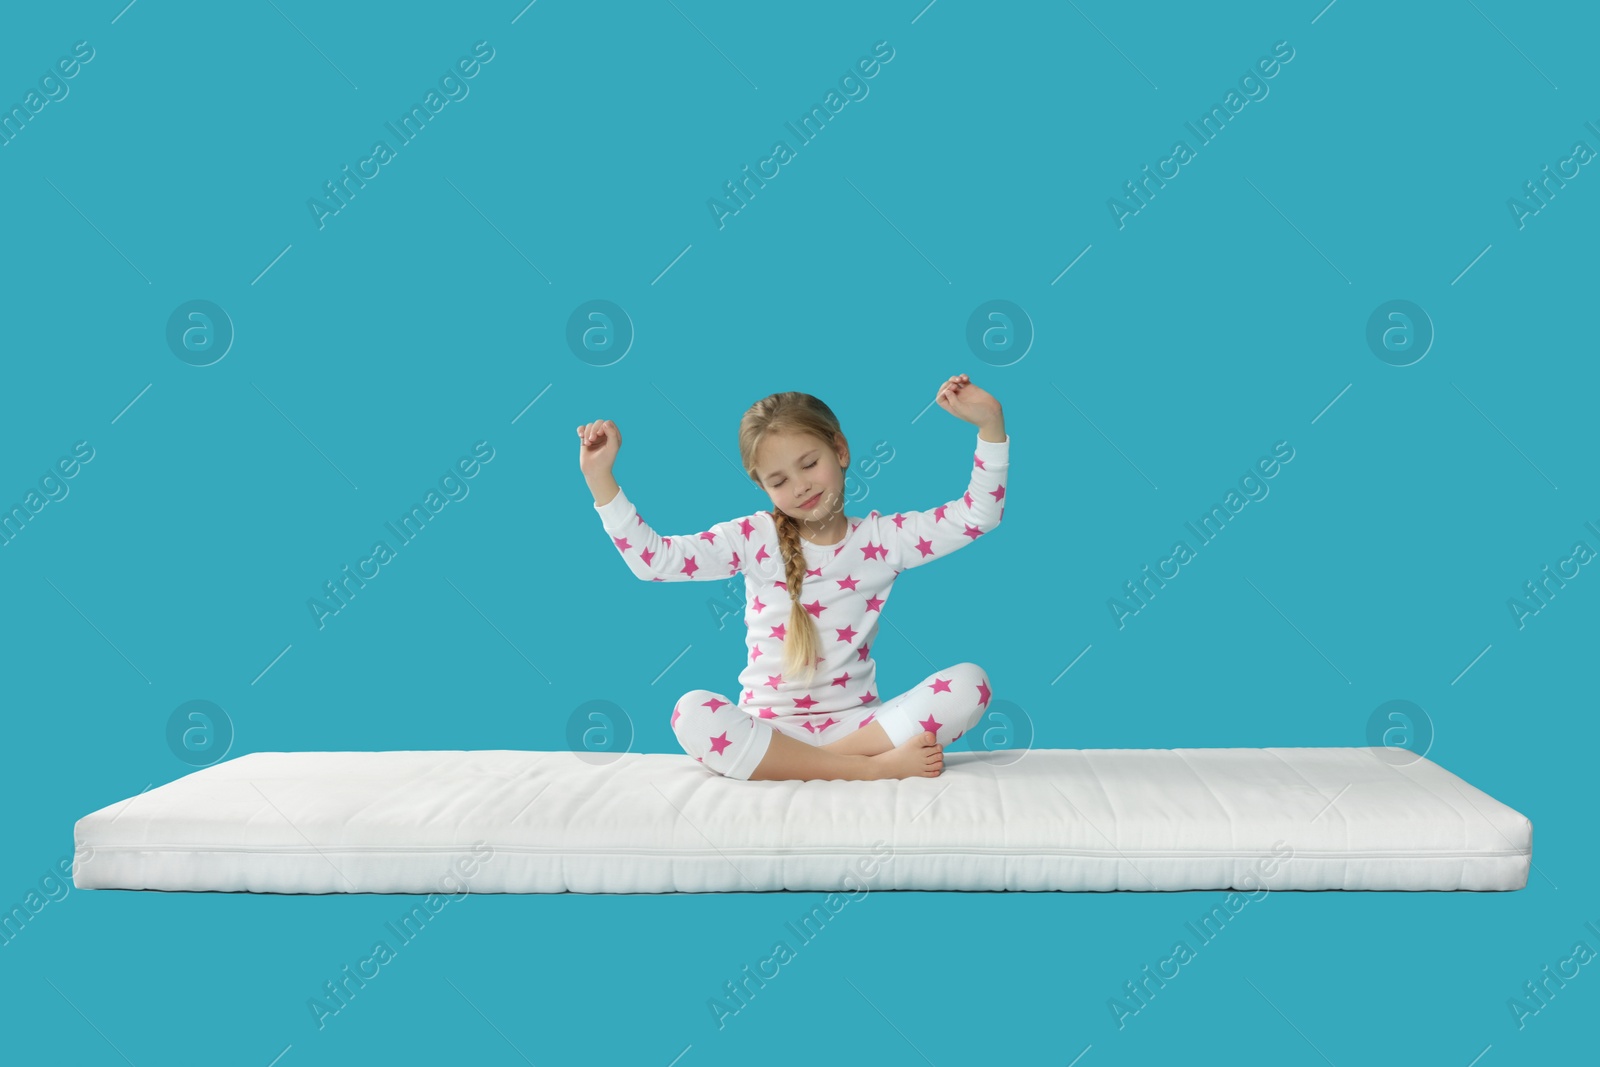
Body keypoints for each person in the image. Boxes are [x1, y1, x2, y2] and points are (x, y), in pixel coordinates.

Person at [577, 374, 1009, 782]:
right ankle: (867, 769)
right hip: (769, 730)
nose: (800, 486)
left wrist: (990, 424)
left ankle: (817, 762)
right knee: (691, 712)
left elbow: (977, 514)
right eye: (780, 480)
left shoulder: (884, 538)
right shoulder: (751, 537)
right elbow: (655, 562)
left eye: (809, 463)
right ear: (763, 486)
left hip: (860, 725)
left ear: (840, 450)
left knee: (970, 683)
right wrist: (600, 479)